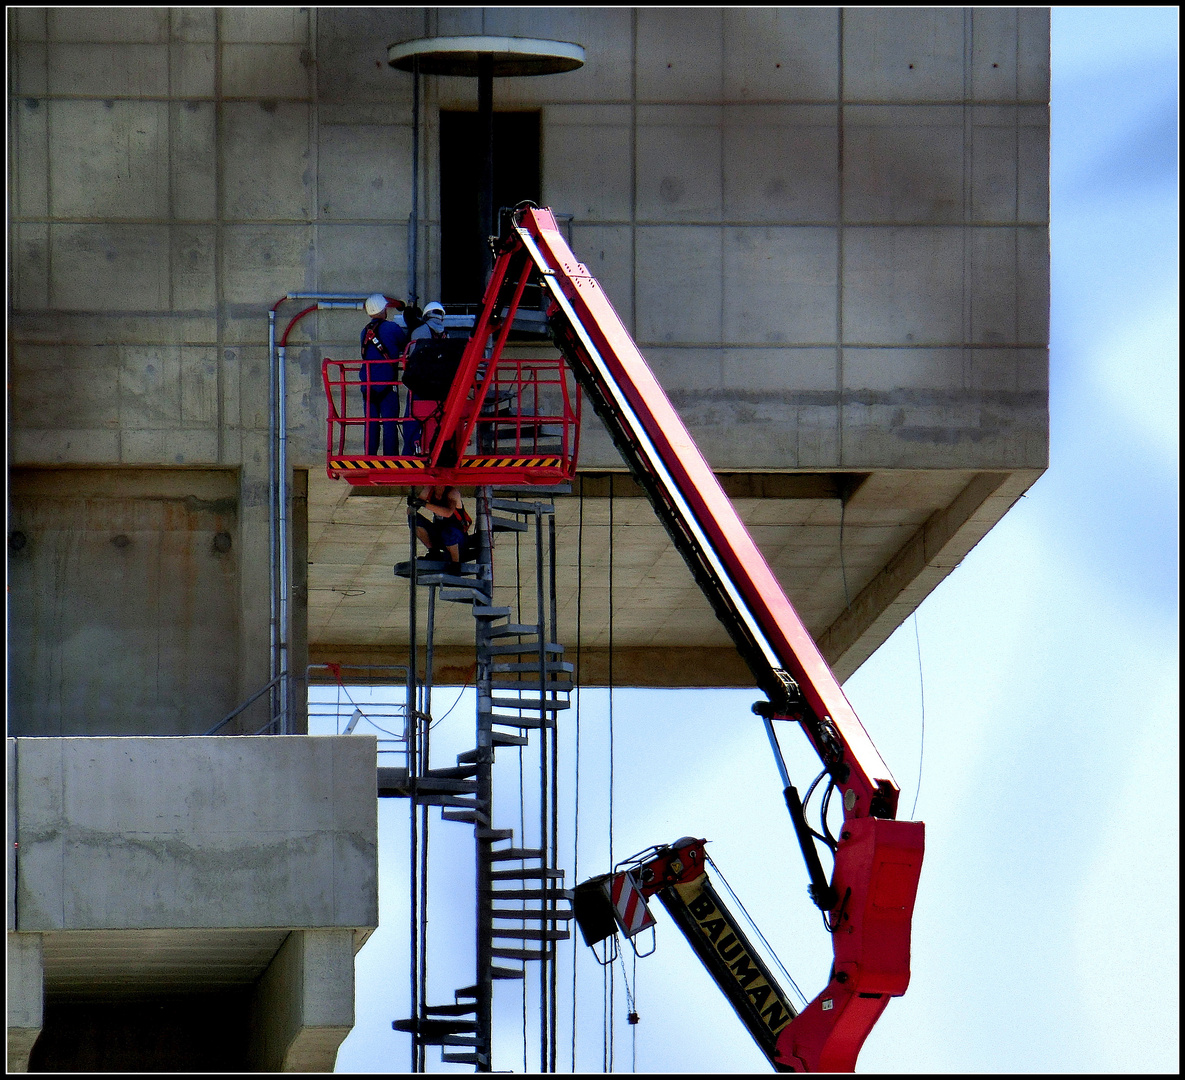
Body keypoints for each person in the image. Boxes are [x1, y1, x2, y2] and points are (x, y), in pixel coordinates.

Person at [359, 293, 408, 456]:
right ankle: (390, 458)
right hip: (386, 385)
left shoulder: (363, 332)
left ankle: (369, 457)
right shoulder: (392, 328)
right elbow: (406, 345)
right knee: (389, 424)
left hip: (367, 385)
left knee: (371, 423)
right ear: (384, 309)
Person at [403, 301, 448, 453]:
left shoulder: (419, 331)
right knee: (436, 419)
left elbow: (412, 357)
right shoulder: (446, 335)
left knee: (412, 418)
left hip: (420, 383)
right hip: (440, 386)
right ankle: (436, 450)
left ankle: (410, 453)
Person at [413, 485, 471, 564]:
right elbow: (411, 511)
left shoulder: (452, 493)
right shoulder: (430, 490)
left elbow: (448, 513)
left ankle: (456, 563)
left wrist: (424, 504)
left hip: (457, 537)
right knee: (414, 519)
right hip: (439, 534)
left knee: (448, 532)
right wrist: (412, 505)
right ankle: (434, 552)